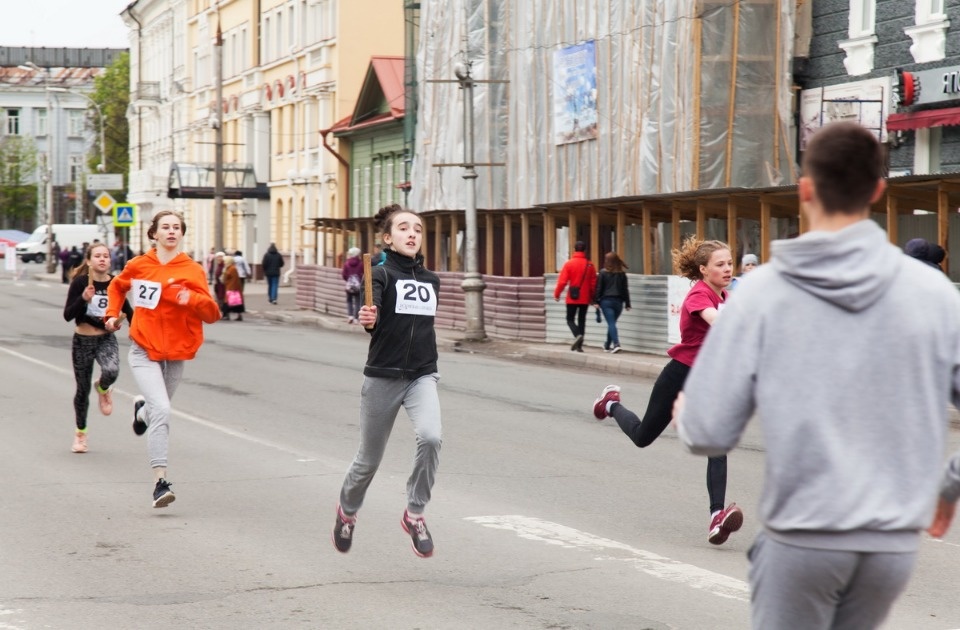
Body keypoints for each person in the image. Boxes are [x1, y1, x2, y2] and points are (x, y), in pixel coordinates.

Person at [674, 121, 960, 628]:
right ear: (877, 190)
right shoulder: (936, 295)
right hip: (890, 545)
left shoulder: (759, 295)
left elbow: (709, 431)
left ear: (805, 191)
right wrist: (949, 486)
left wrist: (685, 413)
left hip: (804, 539)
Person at [592, 237, 742, 544]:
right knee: (643, 436)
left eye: (730, 263)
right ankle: (610, 404)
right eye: (720, 264)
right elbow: (716, 322)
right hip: (680, 376)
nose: (728, 269)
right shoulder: (699, 296)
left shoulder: (725, 295)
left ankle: (716, 516)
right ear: (703, 269)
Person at [333, 203, 443, 558]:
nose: (412, 234)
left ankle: (415, 513)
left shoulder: (431, 281)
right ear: (388, 238)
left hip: (422, 374)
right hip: (382, 376)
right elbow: (372, 316)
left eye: (417, 229)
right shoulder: (379, 275)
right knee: (369, 460)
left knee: (431, 437)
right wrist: (368, 318)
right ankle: (347, 512)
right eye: (404, 228)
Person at [104, 210, 221, 508]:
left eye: (176, 227)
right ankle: (160, 482)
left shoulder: (192, 270)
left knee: (157, 411)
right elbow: (117, 286)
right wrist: (112, 315)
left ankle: (141, 411)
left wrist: (191, 299)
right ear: (154, 233)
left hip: (177, 352)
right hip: (144, 348)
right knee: (164, 410)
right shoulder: (139, 265)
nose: (171, 231)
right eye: (165, 227)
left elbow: (212, 314)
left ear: (182, 233)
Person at [62, 243, 133, 453]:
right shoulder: (81, 283)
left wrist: (133, 326)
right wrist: (83, 299)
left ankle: (103, 387)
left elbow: (128, 312)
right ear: (89, 261)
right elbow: (69, 315)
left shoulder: (115, 284)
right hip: (83, 340)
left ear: (110, 260)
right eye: (98, 256)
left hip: (105, 339)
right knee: (82, 389)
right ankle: (80, 434)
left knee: (111, 371)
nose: (102, 259)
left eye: (106, 256)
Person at [553, 241, 597, 352]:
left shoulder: (569, 264)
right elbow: (593, 284)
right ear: (585, 250)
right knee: (582, 320)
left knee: (570, 319)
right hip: (585, 297)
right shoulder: (590, 265)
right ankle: (580, 346)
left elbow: (562, 282)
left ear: (574, 249)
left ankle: (577, 335)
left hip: (572, 297)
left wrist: (557, 294)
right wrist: (592, 298)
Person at [594, 251, 631, 353]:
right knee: (612, 323)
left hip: (606, 302)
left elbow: (599, 288)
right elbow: (625, 289)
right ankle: (607, 345)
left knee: (611, 323)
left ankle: (616, 344)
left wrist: (596, 301)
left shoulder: (603, 273)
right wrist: (627, 304)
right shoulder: (622, 274)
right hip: (618, 303)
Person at [342, 246, 363, 324]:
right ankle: (356, 318)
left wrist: (348, 280)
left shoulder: (346, 263)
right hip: (358, 286)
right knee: (358, 301)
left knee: (349, 301)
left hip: (349, 286)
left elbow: (344, 275)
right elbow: (363, 274)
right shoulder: (361, 264)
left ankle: (350, 316)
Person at [221, 255, 244, 321]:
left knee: (229, 302)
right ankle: (235, 315)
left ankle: (226, 315)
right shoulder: (229, 268)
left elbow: (232, 278)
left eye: (225, 261)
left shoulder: (232, 268)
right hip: (231, 287)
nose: (224, 262)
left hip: (231, 288)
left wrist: (225, 273)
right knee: (236, 302)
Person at [212, 251, 226, 318]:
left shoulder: (224, 265)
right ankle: (221, 312)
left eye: (220, 257)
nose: (219, 258)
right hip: (218, 285)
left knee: (222, 298)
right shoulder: (219, 264)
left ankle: (223, 313)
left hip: (222, 285)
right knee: (219, 298)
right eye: (218, 257)